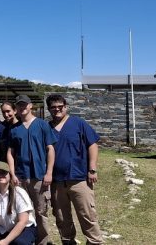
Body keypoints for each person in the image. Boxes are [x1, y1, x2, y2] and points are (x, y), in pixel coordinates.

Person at [46, 94, 104, 245]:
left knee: (87, 215)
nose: (57, 109)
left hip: (79, 179)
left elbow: (92, 144)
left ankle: (94, 241)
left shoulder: (78, 123)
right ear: (49, 109)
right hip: (57, 182)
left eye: (60, 106)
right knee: (61, 218)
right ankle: (68, 241)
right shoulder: (47, 127)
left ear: (66, 107)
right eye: (53, 107)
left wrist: (92, 169)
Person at [6, 95, 56, 245]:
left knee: (41, 212)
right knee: (20, 212)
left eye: (24, 105)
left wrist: (49, 173)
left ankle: (42, 241)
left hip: (39, 176)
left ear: (30, 106)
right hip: (20, 177)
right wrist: (12, 174)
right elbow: (10, 153)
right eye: (19, 106)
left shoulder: (42, 125)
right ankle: (24, 241)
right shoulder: (14, 129)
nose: (22, 108)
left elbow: (50, 149)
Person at [0, 161, 37, 245]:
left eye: (4, 173)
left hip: (23, 227)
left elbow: (23, 221)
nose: (0, 175)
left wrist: (5, 242)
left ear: (10, 175)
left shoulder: (19, 193)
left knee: (19, 242)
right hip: (2, 228)